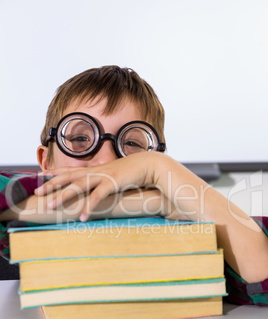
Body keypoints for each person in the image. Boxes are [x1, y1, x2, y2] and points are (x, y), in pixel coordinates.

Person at [0, 65, 268, 304]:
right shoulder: (17, 227)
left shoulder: (187, 233)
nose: (106, 160)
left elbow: (261, 268)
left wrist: (158, 167)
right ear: (46, 162)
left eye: (131, 144)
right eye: (81, 139)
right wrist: (155, 201)